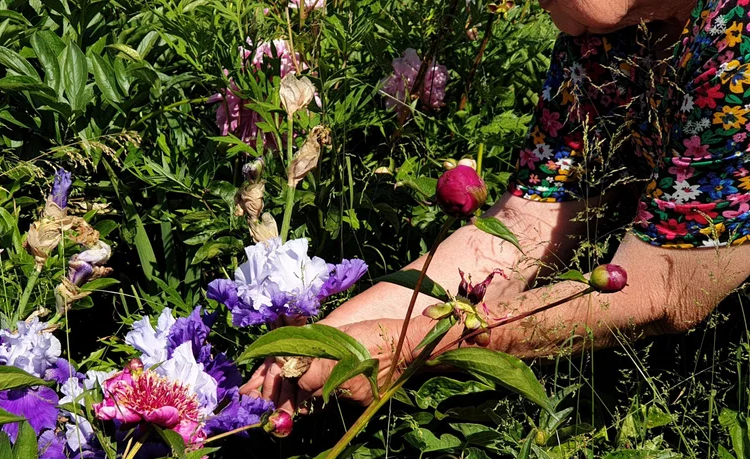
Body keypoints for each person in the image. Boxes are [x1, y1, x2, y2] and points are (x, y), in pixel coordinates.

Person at [243, 0, 750, 413]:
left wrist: (418, 346)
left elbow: (664, 284)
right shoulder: (605, 36)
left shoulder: (737, 37)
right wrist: (324, 343)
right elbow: (524, 225)